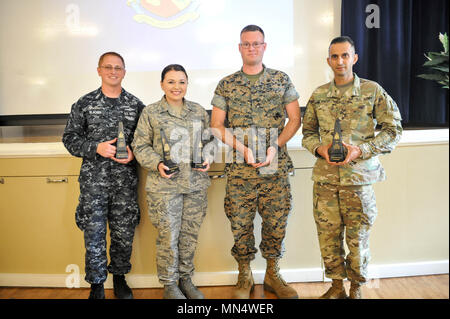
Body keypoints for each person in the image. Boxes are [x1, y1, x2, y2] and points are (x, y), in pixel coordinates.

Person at [302, 36, 403, 299]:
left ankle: (356, 288)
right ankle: (337, 287)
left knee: (357, 240)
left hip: (358, 180)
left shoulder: (372, 91)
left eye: (345, 55)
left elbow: (394, 129)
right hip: (325, 180)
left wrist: (363, 150)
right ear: (328, 61)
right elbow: (308, 133)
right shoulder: (319, 95)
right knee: (328, 237)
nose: (340, 61)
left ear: (354, 58)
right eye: (334, 56)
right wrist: (319, 149)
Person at [210, 25, 301, 299]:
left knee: (276, 222)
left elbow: (294, 119)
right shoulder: (226, 84)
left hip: (275, 167)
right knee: (240, 223)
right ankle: (244, 275)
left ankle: (273, 274)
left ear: (264, 46)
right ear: (240, 47)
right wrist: (242, 148)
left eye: (256, 43)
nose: (251, 48)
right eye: (246, 44)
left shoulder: (281, 79)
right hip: (240, 169)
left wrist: (275, 146)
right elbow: (216, 125)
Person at [63, 52, 145, 299]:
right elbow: (69, 139)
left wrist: (133, 154)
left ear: (124, 71)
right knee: (94, 235)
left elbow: (146, 143)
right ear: (99, 70)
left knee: (123, 233)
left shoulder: (136, 105)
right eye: (108, 67)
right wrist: (95, 147)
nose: (113, 71)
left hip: (124, 184)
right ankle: (97, 284)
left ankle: (119, 279)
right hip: (93, 183)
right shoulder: (84, 103)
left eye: (118, 67)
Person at [132, 64, 214, 299]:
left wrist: (208, 157)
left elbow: (210, 141)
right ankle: (169, 284)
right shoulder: (151, 112)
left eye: (181, 81)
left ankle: (186, 280)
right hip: (164, 188)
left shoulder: (198, 111)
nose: (176, 87)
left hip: (195, 185)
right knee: (168, 237)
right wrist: (157, 163)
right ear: (161, 84)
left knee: (189, 235)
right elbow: (140, 145)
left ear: (187, 84)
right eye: (171, 81)